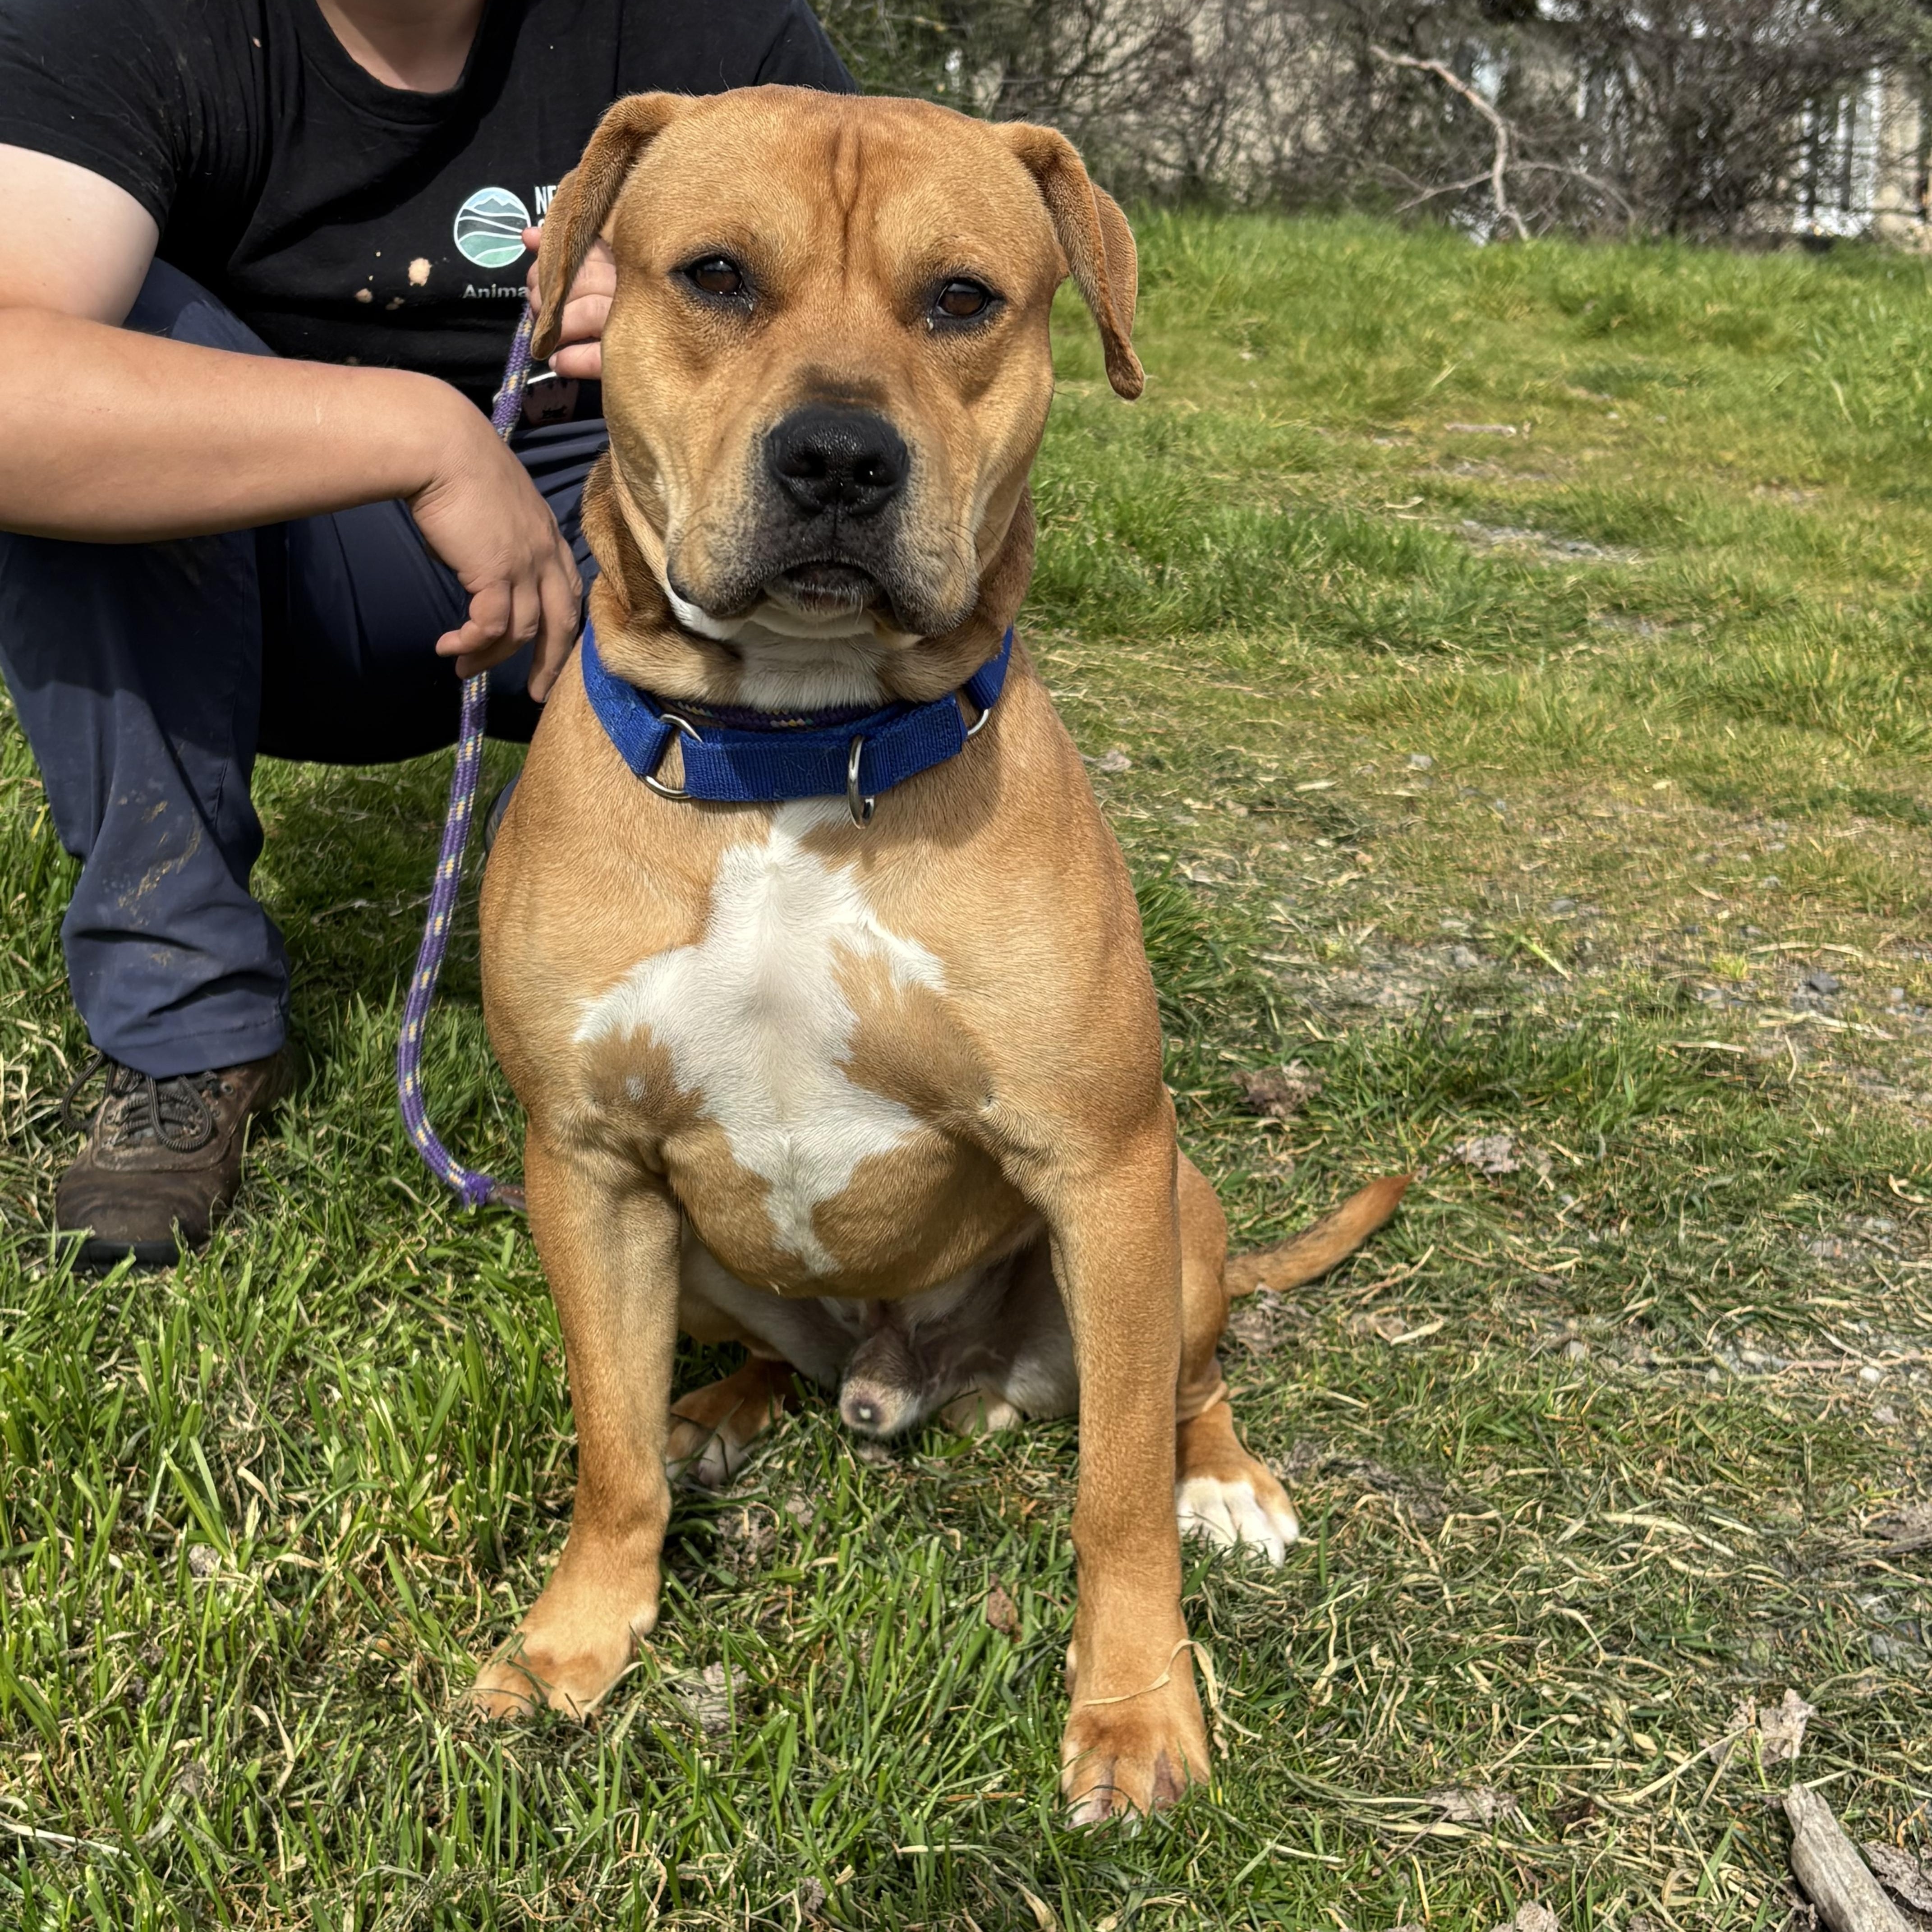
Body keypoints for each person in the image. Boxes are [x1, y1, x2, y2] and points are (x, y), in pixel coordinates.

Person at [0, 0, 854, 1268]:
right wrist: (423, 435)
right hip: (279, 547)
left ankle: (756, 984)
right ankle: (186, 1022)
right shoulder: (127, 21)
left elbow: (881, 272)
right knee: (92, 363)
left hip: (618, 510)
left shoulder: (708, 24)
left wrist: (714, 294)